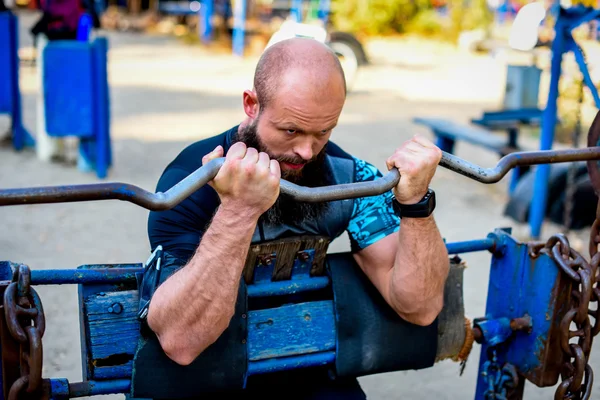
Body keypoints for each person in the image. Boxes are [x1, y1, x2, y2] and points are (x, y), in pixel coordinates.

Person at [145, 37, 449, 399]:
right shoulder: (189, 181)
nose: (306, 150)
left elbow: (420, 308)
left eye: (323, 132)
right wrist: (238, 211)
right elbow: (181, 341)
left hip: (311, 368)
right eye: (291, 130)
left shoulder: (348, 178)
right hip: (211, 378)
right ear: (251, 105)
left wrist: (415, 204)